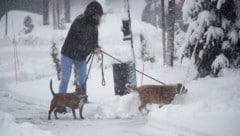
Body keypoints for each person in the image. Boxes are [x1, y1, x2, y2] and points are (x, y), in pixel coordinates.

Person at [56, 1, 103, 113]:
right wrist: (91, 47)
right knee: (65, 79)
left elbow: (94, 41)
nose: (98, 18)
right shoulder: (79, 21)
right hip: (68, 54)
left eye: (99, 16)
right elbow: (78, 40)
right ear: (92, 13)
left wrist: (96, 48)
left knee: (83, 79)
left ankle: (82, 98)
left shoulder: (94, 26)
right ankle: (60, 104)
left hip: (80, 56)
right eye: (97, 15)